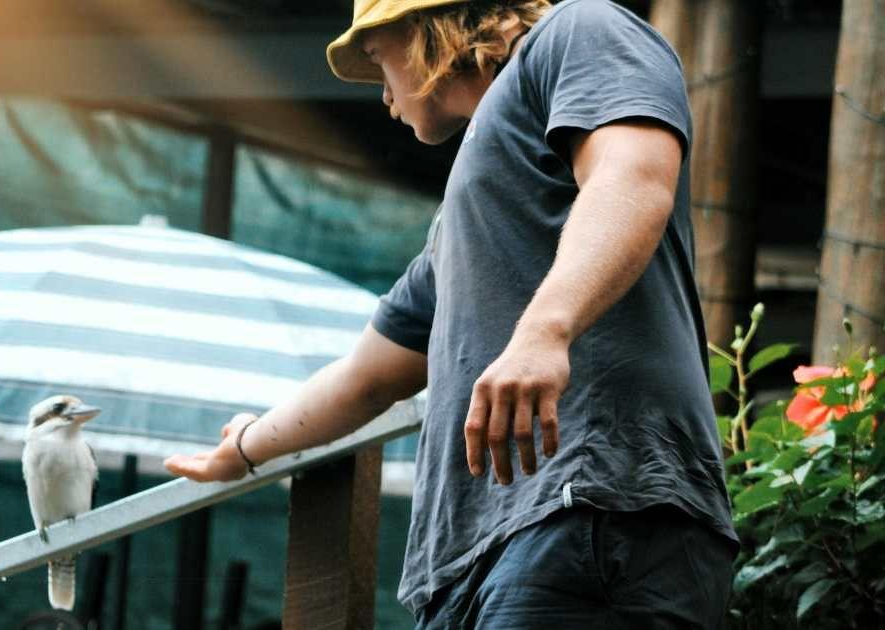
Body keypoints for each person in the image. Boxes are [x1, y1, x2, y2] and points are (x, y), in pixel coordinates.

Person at [165, 0, 739, 627]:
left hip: (589, 511)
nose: (382, 94)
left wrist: (544, 332)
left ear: (423, 31)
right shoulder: (458, 226)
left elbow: (633, 176)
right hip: (475, 564)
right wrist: (245, 449)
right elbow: (366, 377)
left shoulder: (582, 31)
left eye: (376, 58)